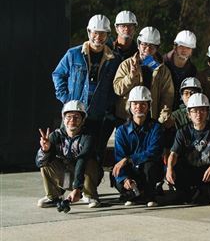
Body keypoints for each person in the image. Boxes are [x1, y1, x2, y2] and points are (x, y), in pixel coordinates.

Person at [52, 14, 121, 162]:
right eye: (95, 33)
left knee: (91, 156)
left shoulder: (114, 60)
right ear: (89, 32)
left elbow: (117, 86)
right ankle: (69, 185)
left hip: (96, 115)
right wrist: (66, 99)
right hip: (73, 114)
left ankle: (87, 185)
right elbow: (58, 74)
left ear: (108, 35)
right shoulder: (73, 54)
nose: (98, 37)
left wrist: (106, 103)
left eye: (102, 34)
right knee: (66, 154)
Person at [36, 100, 101, 208]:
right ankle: (53, 196)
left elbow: (82, 160)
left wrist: (77, 188)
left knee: (90, 162)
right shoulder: (55, 136)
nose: (72, 120)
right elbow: (39, 163)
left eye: (76, 117)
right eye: (69, 117)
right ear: (63, 119)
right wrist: (45, 150)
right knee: (45, 162)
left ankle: (90, 195)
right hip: (66, 178)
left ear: (83, 120)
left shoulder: (88, 137)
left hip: (83, 179)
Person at [166, 93, 210, 205]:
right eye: (194, 111)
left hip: (209, 170)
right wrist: (169, 168)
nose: (198, 114)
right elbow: (173, 154)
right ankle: (188, 193)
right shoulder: (182, 132)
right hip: (191, 169)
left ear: (207, 112)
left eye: (202, 110)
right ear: (188, 114)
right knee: (175, 167)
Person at [112, 86, 164, 207]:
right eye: (135, 104)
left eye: (143, 104)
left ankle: (150, 195)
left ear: (149, 106)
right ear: (129, 106)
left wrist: (129, 159)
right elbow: (119, 158)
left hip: (149, 170)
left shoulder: (156, 127)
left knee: (149, 165)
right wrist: (125, 179)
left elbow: (154, 151)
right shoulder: (121, 131)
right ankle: (135, 192)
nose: (138, 107)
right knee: (117, 174)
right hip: (130, 171)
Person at [113, 27, 175, 128]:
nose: (147, 49)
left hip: (151, 121)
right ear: (138, 44)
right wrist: (131, 77)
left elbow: (167, 97)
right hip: (126, 120)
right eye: (144, 44)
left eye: (152, 46)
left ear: (157, 48)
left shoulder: (162, 71)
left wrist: (162, 120)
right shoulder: (126, 65)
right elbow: (117, 89)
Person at [164, 30, 198, 109]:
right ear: (175, 47)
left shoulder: (192, 70)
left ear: (191, 51)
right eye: (181, 46)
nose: (184, 50)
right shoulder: (162, 63)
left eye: (188, 48)